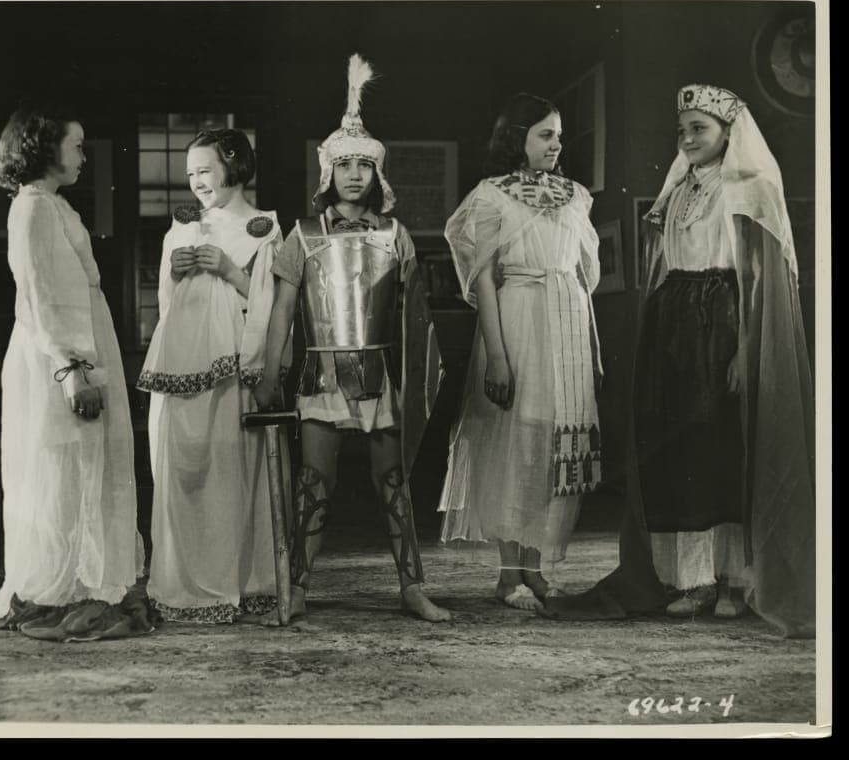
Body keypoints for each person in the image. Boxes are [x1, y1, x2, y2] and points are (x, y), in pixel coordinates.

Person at [542, 84, 815, 638]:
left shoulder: (751, 188)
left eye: (701, 129)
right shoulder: (678, 189)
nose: (689, 139)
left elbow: (758, 278)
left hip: (723, 320)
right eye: (683, 129)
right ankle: (693, 580)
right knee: (680, 447)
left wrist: (744, 347)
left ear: (727, 134)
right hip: (674, 326)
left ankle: (735, 579)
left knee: (721, 447)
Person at [0, 102, 152, 641]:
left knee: (84, 469)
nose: (84, 155)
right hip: (58, 360)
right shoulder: (32, 208)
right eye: (76, 145)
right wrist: (72, 371)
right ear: (43, 149)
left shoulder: (55, 207)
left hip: (83, 349)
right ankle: (58, 589)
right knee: (60, 472)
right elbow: (39, 298)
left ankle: (83, 583)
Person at [254, 54, 451, 623]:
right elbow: (283, 311)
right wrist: (270, 375)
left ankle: (412, 586)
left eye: (365, 165)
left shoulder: (397, 234)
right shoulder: (303, 235)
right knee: (314, 482)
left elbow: (416, 316)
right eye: (346, 166)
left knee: (394, 481)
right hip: (320, 374)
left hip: (380, 375)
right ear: (329, 174)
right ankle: (296, 587)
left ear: (377, 174)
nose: (356, 175)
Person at [439, 93, 603, 611]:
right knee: (520, 438)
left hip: (567, 320)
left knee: (556, 443)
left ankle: (533, 569)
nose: (557, 143)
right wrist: (498, 356)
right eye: (545, 134)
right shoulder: (491, 195)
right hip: (518, 315)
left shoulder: (576, 195)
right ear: (518, 139)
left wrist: (591, 347)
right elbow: (483, 279)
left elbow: (582, 273)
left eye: (558, 134)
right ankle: (508, 575)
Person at [137, 129, 289, 624]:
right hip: (184, 364)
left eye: (205, 170)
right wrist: (175, 272)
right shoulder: (181, 228)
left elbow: (270, 303)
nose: (196, 182)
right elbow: (166, 306)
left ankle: (238, 583)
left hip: (234, 368)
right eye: (190, 174)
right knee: (184, 470)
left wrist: (228, 269)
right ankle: (182, 586)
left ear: (234, 166)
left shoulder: (263, 228)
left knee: (231, 471)